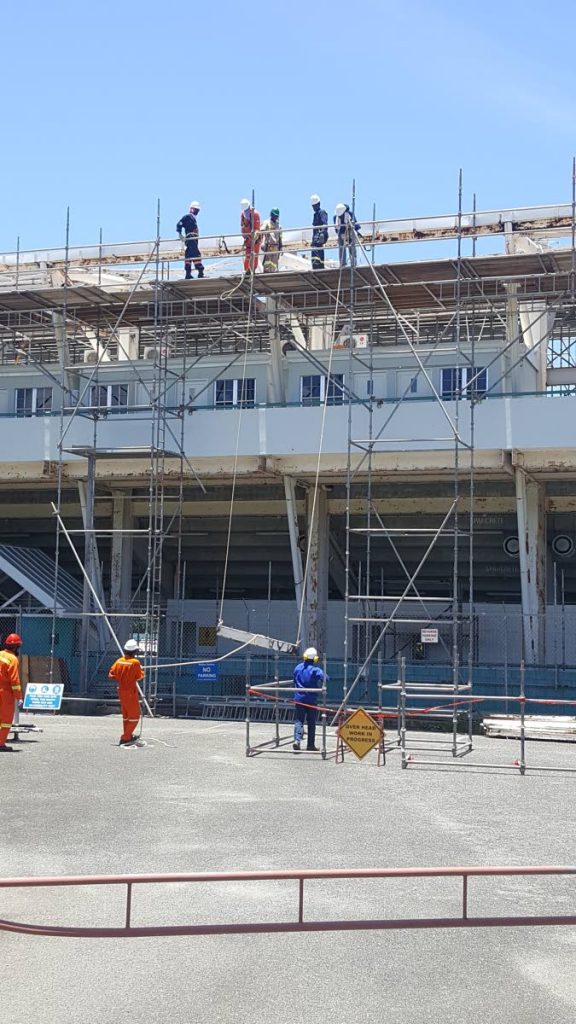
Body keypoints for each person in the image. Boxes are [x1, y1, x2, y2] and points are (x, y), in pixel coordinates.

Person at [108, 639, 144, 746]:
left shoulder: (119, 661)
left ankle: (128, 734)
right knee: (135, 716)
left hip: (121, 690)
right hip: (130, 691)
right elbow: (140, 676)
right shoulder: (135, 663)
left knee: (126, 715)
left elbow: (111, 674)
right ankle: (126, 737)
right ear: (135, 651)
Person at [293, 646, 324, 753]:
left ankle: (297, 741)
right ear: (315, 659)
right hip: (311, 699)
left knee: (299, 721)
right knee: (311, 722)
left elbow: (294, 680)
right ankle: (310, 745)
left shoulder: (297, 668)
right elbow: (325, 678)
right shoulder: (316, 670)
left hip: (299, 698)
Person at [0, 633, 23, 752]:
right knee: (5, 720)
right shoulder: (13, 659)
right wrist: (18, 697)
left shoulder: (0, 655)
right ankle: (0, 744)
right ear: (16, 647)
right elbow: (15, 681)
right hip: (5, 693)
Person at [177, 201, 204, 280]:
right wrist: (179, 233)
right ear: (192, 209)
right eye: (196, 210)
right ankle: (200, 272)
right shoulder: (188, 217)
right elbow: (179, 224)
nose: (197, 212)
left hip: (192, 239)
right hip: (191, 238)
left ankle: (188, 274)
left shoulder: (193, 218)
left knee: (188, 254)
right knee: (196, 254)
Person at [334, 202, 361, 268]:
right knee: (341, 246)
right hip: (342, 234)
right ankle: (342, 263)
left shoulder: (350, 214)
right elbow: (336, 229)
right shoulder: (336, 217)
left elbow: (356, 226)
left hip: (350, 231)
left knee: (352, 245)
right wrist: (341, 235)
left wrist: (354, 231)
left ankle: (353, 262)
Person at [240, 199, 261, 274]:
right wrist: (245, 236)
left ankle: (253, 271)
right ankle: (246, 271)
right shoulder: (243, 215)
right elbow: (242, 227)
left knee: (254, 256)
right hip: (248, 240)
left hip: (255, 241)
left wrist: (255, 236)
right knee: (247, 256)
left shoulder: (255, 214)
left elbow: (257, 229)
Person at [310, 194, 328, 270]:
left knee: (318, 252)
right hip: (315, 237)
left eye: (315, 205)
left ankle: (319, 266)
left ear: (318, 204)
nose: (314, 208)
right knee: (314, 252)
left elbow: (325, 224)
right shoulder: (315, 214)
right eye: (313, 206)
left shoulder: (322, 212)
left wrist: (322, 234)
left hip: (319, 236)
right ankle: (315, 266)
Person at [261, 208, 283, 273]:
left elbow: (280, 237)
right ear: (271, 214)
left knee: (274, 263)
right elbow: (261, 230)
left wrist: (281, 247)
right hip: (269, 246)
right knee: (267, 263)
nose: (275, 217)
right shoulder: (267, 222)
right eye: (274, 215)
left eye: (276, 216)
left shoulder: (279, 225)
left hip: (276, 247)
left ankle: (273, 272)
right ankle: (266, 272)